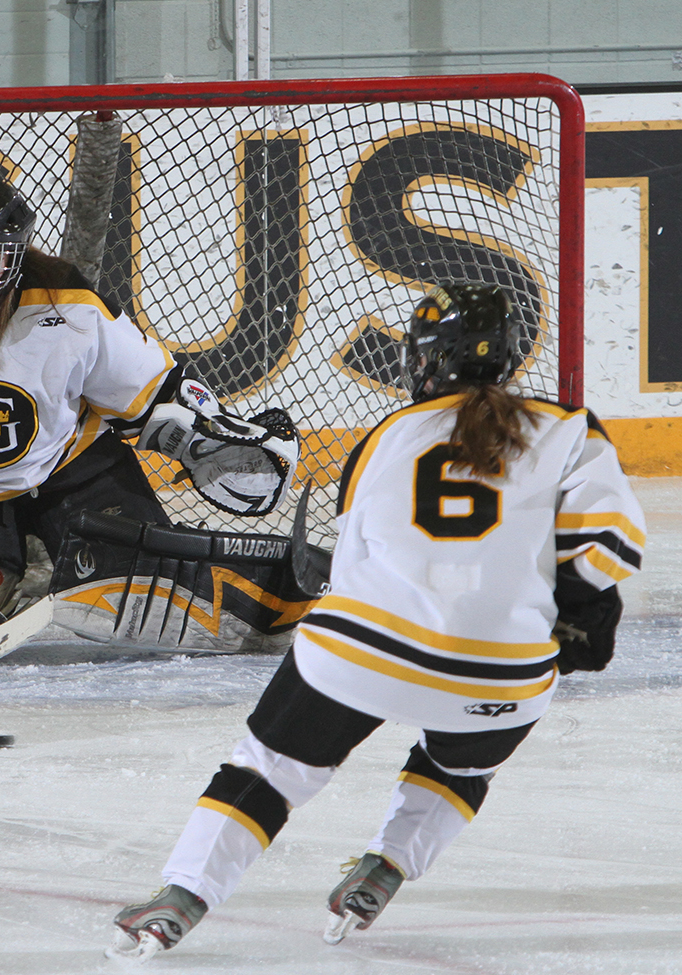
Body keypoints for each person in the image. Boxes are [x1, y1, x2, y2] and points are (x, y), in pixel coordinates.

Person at [107, 283, 646, 960]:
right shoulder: (569, 428)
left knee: (269, 767)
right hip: (503, 672)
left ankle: (183, 895)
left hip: (359, 651)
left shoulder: (384, 436)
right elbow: (609, 548)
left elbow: (353, 563)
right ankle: (386, 865)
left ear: (425, 361)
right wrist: (575, 612)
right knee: (462, 757)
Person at [0, 176, 299, 639]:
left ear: (16, 256)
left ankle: (51, 557)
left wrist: (203, 433)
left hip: (74, 468)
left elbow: (152, 388)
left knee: (142, 590)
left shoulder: (67, 300)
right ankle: (1, 561)